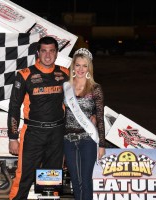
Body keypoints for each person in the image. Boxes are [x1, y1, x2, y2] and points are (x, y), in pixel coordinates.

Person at [7, 36, 69, 199]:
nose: (47, 55)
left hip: (57, 133)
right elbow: (14, 107)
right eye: (44, 51)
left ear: (56, 53)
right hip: (33, 133)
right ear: (37, 53)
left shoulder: (65, 73)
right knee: (23, 177)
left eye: (51, 51)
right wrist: (13, 137)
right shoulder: (24, 74)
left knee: (51, 177)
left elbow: (74, 105)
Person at [63, 48, 105, 200]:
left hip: (88, 139)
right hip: (68, 140)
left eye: (84, 65)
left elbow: (100, 117)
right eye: (78, 65)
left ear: (89, 68)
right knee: (75, 181)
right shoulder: (66, 87)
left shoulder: (95, 88)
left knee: (86, 181)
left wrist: (101, 145)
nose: (81, 69)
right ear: (73, 66)